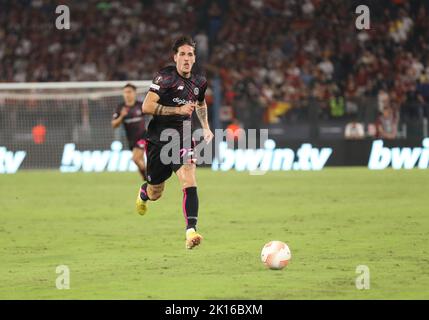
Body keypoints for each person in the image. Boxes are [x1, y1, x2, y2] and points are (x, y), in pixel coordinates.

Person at [136, 36, 214, 249]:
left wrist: (205, 126)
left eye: (190, 54)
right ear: (175, 57)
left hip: (182, 138)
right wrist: (177, 110)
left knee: (189, 178)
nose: (186, 58)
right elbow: (146, 106)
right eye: (182, 54)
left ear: (195, 58)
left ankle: (191, 231)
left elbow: (201, 103)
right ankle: (144, 193)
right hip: (158, 140)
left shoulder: (199, 82)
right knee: (155, 192)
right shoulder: (165, 78)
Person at [111, 83, 147, 180]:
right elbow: (114, 124)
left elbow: (152, 114)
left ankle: (149, 178)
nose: (127, 94)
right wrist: (122, 116)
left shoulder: (141, 105)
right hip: (131, 139)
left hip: (143, 136)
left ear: (134, 93)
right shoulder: (120, 108)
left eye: (129, 92)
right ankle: (147, 180)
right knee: (140, 161)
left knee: (135, 159)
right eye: (125, 92)